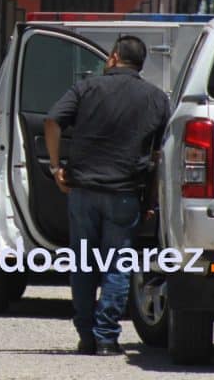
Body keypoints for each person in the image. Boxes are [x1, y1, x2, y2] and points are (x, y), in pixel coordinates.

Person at [44, 35, 169, 356]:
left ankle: (86, 335)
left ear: (113, 57)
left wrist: (57, 167)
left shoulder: (86, 89)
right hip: (126, 193)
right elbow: (158, 158)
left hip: (83, 191)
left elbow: (52, 121)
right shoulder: (156, 99)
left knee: (84, 265)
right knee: (117, 265)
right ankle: (106, 338)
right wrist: (152, 202)